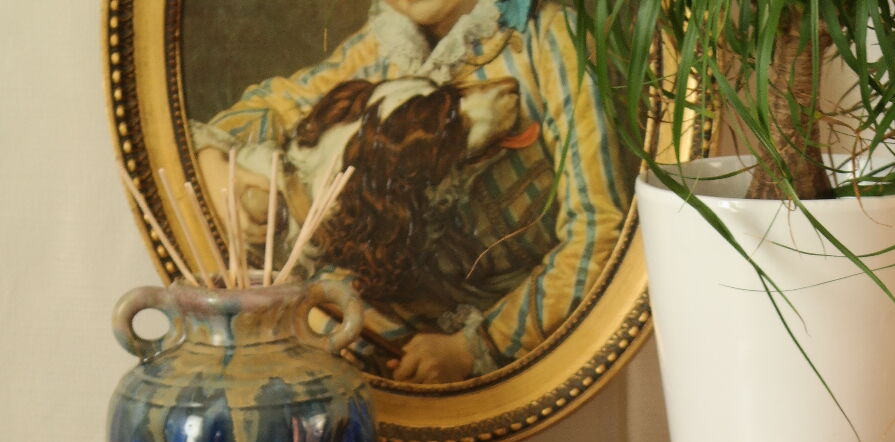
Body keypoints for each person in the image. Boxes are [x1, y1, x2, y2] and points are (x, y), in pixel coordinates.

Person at [192, 0, 632, 382]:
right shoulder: (383, 48)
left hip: (515, 346)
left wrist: (474, 347)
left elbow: (599, 232)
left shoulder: (551, 39)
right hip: (391, 341)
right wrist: (214, 165)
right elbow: (274, 104)